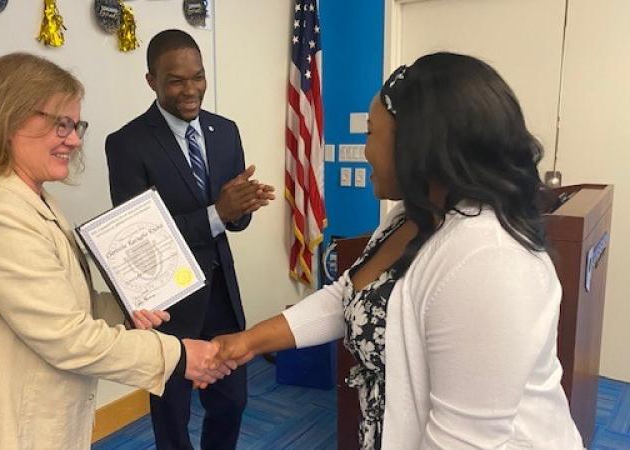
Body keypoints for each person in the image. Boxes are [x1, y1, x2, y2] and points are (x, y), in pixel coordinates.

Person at [213, 53, 585, 449]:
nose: (366, 150)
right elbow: (349, 297)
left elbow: (465, 442)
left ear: (417, 144)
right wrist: (247, 342)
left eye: (372, 134)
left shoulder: (488, 260)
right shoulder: (410, 215)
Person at [0, 52, 229, 450]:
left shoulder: (30, 199)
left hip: (29, 421)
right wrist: (180, 356)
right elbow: (68, 338)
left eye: (76, 125)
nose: (75, 140)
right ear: (7, 119)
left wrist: (125, 309)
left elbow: (62, 303)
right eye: (61, 124)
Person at [105, 29, 275, 450]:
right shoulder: (127, 144)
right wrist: (220, 212)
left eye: (198, 77)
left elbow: (235, 223)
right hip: (168, 303)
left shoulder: (225, 131)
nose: (191, 89)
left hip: (221, 293)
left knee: (233, 400)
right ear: (151, 81)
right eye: (177, 81)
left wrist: (241, 209)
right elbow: (139, 237)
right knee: (172, 414)